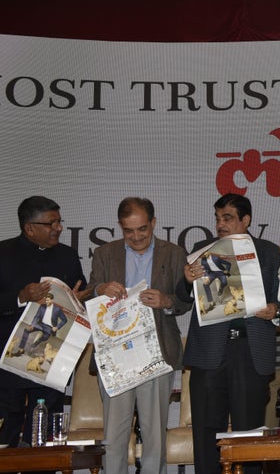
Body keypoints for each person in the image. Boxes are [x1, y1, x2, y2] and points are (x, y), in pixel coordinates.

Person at [178, 193, 280, 474]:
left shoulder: (269, 252)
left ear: (245, 220)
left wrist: (275, 309)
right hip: (210, 351)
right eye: (217, 218)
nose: (220, 224)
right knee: (206, 432)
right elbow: (182, 297)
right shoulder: (201, 249)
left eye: (228, 218)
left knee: (248, 432)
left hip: (251, 350)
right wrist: (187, 281)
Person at [87, 197, 189, 474]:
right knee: (114, 435)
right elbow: (89, 290)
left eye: (142, 229)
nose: (136, 237)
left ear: (153, 223)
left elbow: (186, 301)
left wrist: (166, 301)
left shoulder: (174, 253)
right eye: (128, 231)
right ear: (120, 227)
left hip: (157, 352)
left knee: (154, 433)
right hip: (116, 356)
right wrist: (101, 289)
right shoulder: (105, 253)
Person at [0, 196, 86, 448]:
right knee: (4, 439)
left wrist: (77, 300)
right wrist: (20, 297)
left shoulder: (67, 256)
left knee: (44, 440)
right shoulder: (3, 253)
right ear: (29, 228)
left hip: (51, 361)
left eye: (59, 221)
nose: (58, 228)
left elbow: (80, 291)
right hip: (8, 364)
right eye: (51, 223)